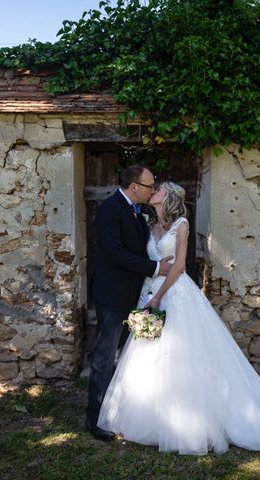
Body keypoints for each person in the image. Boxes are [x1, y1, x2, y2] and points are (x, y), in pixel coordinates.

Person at [97, 181, 260, 456]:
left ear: (169, 197)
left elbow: (180, 266)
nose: (154, 191)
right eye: (154, 188)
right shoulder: (149, 225)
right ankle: (148, 414)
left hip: (174, 293)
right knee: (148, 349)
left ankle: (192, 420)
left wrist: (158, 297)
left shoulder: (181, 224)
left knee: (183, 354)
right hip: (149, 291)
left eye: (159, 189)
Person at [86, 164, 173, 441]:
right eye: (149, 185)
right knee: (105, 356)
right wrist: (155, 268)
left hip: (135, 294)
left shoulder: (138, 212)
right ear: (134, 186)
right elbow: (115, 253)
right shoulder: (110, 209)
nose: (152, 189)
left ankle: (118, 412)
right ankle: (95, 419)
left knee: (127, 357)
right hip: (112, 296)